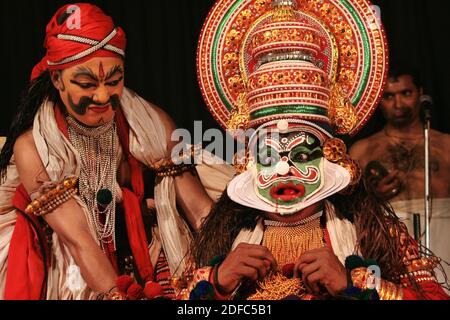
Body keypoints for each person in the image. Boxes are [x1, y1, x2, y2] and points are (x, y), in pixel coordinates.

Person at [176, 0, 449, 300]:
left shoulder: (368, 229)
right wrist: (217, 280)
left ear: (331, 156)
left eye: (302, 155)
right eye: (268, 157)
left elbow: (432, 296)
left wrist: (353, 283)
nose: (283, 169)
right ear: (248, 164)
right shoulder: (227, 234)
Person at [0, 3, 233, 300]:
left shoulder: (152, 125)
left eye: (113, 81)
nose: (102, 96)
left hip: (153, 251)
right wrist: (116, 295)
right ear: (57, 79)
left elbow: (200, 211)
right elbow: (79, 240)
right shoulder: (34, 147)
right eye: (86, 84)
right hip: (73, 265)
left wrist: (225, 268)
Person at [349, 65, 450, 285]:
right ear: (378, 101)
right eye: (388, 96)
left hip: (444, 234)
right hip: (391, 241)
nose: (398, 104)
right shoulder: (362, 149)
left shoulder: (445, 144)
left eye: (406, 93)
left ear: (420, 93)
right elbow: (345, 208)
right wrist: (373, 197)